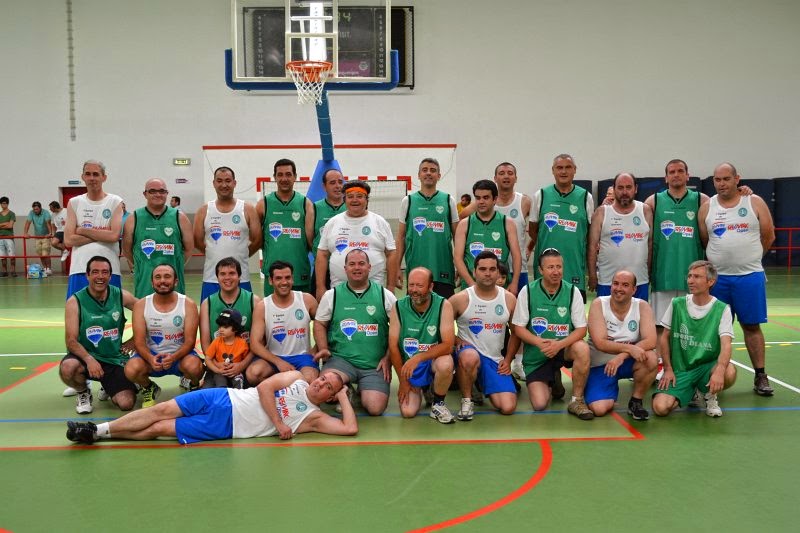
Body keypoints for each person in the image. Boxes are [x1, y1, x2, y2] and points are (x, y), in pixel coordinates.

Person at [66, 370, 357, 444]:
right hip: (224, 397)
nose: (320, 384)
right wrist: (279, 423)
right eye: (323, 378)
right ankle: (96, 430)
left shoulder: (313, 417)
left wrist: (344, 395)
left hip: (227, 425)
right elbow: (264, 388)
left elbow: (349, 428)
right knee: (160, 410)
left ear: (330, 396)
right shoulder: (296, 378)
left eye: (328, 387)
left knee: (158, 428)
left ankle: (98, 435)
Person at [699, 162, 776, 396]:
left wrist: (750, 258)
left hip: (749, 276)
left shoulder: (754, 202)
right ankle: (710, 375)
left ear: (737, 179)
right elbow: (705, 240)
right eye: (717, 179)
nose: (722, 183)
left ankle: (760, 375)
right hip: (718, 280)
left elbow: (768, 235)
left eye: (726, 179)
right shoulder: (707, 207)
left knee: (751, 326)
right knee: (714, 330)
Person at [512, 248, 593, 420]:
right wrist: (539, 342)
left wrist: (559, 345)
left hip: (563, 348)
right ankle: (553, 379)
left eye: (559, 267)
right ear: (540, 270)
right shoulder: (527, 291)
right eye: (550, 267)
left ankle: (577, 400)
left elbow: (581, 329)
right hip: (538, 352)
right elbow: (518, 328)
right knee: (540, 404)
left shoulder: (573, 291)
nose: (556, 271)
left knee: (582, 348)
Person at [313, 249, 397, 416]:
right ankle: (346, 389)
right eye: (352, 264)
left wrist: (388, 357)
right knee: (324, 390)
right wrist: (323, 348)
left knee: (375, 408)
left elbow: (398, 330)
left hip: (374, 365)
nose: (357, 268)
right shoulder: (332, 295)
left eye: (361, 263)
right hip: (341, 361)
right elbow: (320, 323)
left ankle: (358, 391)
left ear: (369, 267)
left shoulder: (385, 295)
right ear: (345, 269)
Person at [653, 261, 737, 417]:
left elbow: (726, 345)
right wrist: (668, 369)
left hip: (706, 367)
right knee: (660, 408)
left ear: (710, 282)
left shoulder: (722, 309)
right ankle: (693, 391)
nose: (690, 281)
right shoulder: (677, 303)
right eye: (689, 276)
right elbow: (664, 338)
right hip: (681, 369)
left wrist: (719, 370)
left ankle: (710, 395)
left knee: (729, 371)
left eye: (697, 277)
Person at [59, 256, 138, 414]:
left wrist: (135, 339)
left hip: (114, 358)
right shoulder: (75, 301)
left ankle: (108, 386)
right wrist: (89, 359)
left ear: (110, 276)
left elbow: (148, 312)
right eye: (95, 272)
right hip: (86, 356)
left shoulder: (121, 295)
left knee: (126, 403)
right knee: (68, 368)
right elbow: (71, 341)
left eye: (105, 272)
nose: (100, 276)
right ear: (87, 275)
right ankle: (83, 392)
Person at [449, 251, 519, 420]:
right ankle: (467, 400)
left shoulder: (509, 299)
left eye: (492, 269)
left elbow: (516, 333)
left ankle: (477, 382)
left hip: (494, 359)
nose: (487, 273)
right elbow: (440, 327)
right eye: (482, 269)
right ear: (474, 272)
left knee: (508, 407)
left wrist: (508, 360)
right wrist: (457, 340)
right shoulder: (460, 299)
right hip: (467, 354)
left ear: (498, 272)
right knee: (470, 357)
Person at [125, 264, 204, 408]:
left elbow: (190, 341)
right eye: (158, 277)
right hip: (152, 356)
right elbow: (139, 341)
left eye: (167, 276)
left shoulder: (188, 304)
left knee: (194, 367)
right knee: (131, 369)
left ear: (176, 281)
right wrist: (150, 358)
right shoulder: (141, 305)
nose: (162, 281)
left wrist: (173, 357)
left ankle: (193, 384)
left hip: (179, 356)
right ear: (152, 282)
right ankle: (149, 387)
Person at [585, 270, 658, 420]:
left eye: (625, 285)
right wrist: (630, 348)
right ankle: (607, 390)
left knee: (651, 357)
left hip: (626, 361)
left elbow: (651, 340)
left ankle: (636, 402)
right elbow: (600, 343)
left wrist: (621, 356)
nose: (619, 288)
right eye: (615, 284)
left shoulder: (642, 306)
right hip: (601, 364)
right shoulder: (599, 304)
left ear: (634, 289)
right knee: (599, 409)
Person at [388, 267, 457, 423]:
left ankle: (438, 404)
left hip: (432, 360)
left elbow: (448, 345)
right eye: (411, 285)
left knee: (446, 363)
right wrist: (403, 381)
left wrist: (419, 357)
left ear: (431, 286)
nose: (414, 290)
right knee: (407, 412)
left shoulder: (443, 305)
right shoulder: (398, 306)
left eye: (419, 286)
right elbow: (393, 346)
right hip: (410, 366)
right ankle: (424, 388)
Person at [315, 181, 397, 300]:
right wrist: (320, 287)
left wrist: (390, 287)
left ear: (367, 200)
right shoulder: (332, 223)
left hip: (375, 291)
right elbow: (322, 254)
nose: (355, 200)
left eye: (359, 196)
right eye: (350, 196)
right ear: (344, 200)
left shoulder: (380, 222)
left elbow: (391, 254)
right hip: (339, 291)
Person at [459, 162, 533, 293]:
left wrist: (529, 247)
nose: (506, 176)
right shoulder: (475, 210)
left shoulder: (524, 201)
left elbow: (536, 226)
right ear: (495, 178)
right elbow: (460, 218)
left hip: (514, 270)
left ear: (516, 178)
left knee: (517, 304)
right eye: (502, 173)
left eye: (510, 173)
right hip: (479, 275)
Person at [529, 154, 594, 295]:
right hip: (545, 271)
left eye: (568, 167)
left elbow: (590, 236)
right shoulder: (540, 195)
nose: (563, 171)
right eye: (559, 168)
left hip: (574, 267)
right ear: (553, 170)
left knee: (573, 307)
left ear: (575, 169)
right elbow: (533, 230)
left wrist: (592, 271)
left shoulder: (585, 197)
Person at [194, 166, 261, 302]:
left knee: (244, 315)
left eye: (228, 181)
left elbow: (258, 240)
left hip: (241, 278)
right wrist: (213, 253)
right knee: (210, 315)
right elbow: (197, 241)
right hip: (211, 279)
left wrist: (242, 254)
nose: (224, 185)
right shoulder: (204, 210)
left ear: (234, 183)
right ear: (214, 183)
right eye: (219, 181)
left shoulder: (247, 209)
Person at [395, 158, 459, 297]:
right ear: (419, 175)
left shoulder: (448, 200)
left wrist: (459, 266)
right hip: (416, 270)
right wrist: (397, 266)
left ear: (439, 176)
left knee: (444, 309)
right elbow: (401, 237)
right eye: (425, 170)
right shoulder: (408, 201)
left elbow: (457, 237)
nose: (428, 173)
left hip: (443, 269)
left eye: (433, 170)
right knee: (416, 310)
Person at [248, 260, 319, 385]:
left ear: (293, 279)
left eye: (287, 277)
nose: (284, 282)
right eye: (278, 278)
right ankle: (279, 389)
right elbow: (255, 343)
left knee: (309, 379)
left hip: (302, 357)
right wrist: (278, 362)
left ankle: (278, 387)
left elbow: (323, 327)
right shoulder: (263, 306)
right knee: (253, 374)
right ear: (271, 281)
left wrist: (316, 348)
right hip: (274, 357)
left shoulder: (307, 300)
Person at [122, 178, 193, 298]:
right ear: (145, 194)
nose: (158, 194)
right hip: (145, 284)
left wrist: (175, 264)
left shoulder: (180, 217)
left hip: (174, 285)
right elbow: (126, 250)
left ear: (167, 193)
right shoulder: (134, 218)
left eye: (161, 191)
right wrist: (142, 265)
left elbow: (189, 249)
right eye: (152, 191)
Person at [63, 160, 124, 298]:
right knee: (78, 310)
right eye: (88, 174)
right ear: (82, 177)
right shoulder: (74, 202)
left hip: (110, 270)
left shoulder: (115, 201)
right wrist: (103, 233)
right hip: (80, 269)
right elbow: (68, 240)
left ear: (104, 177)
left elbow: (113, 236)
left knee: (110, 310)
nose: (91, 178)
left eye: (96, 174)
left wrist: (82, 231)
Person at [587, 172, 652, 300]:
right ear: (614, 189)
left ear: (636, 189)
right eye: (620, 188)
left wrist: (648, 272)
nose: (624, 192)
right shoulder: (601, 212)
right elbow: (592, 247)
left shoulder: (645, 210)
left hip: (639, 281)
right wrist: (592, 275)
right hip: (608, 281)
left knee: (639, 313)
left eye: (628, 187)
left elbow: (650, 244)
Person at [453, 179, 522, 294]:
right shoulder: (465, 224)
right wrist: (472, 284)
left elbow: (516, 256)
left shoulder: (507, 223)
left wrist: (514, 283)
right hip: (471, 286)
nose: (481, 201)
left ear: (495, 199)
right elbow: (457, 258)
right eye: (478, 198)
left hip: (500, 287)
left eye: (485, 197)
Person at [257, 159, 314, 295]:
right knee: (272, 309)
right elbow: (255, 238)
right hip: (273, 275)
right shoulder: (263, 204)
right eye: (280, 175)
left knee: (303, 309)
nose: (284, 179)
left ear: (295, 177)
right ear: (274, 177)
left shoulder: (305, 203)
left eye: (288, 174)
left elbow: (312, 242)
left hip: (299, 272)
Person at [311, 168, 345, 288]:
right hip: (322, 269)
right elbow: (309, 239)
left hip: (346, 269)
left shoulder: (351, 207)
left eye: (340, 182)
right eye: (332, 183)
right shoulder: (314, 208)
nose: (337, 186)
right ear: (324, 186)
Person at [203, 309, 249, 388]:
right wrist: (217, 370)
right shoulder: (216, 341)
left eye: (225, 327)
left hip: (235, 372)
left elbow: (245, 361)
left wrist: (239, 368)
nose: (221, 329)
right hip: (219, 372)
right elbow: (207, 359)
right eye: (220, 326)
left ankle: (238, 392)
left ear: (236, 328)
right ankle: (222, 391)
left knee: (239, 380)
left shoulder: (242, 343)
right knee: (220, 382)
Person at [24, 201, 52, 275]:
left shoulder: (45, 212)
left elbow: (48, 223)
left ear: (40, 208)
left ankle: (49, 269)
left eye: (37, 209)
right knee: (40, 254)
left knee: (45, 253)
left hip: (46, 236)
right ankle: (45, 268)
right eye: (34, 209)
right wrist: (25, 233)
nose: (35, 211)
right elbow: (28, 223)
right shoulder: (31, 213)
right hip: (37, 236)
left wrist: (50, 233)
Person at [0, 196, 18, 277]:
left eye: (5, 203)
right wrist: (5, 223)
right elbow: (8, 224)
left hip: (9, 237)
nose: (3, 205)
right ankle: (4, 271)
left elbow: (10, 225)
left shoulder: (11, 214)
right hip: (0, 237)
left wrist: (1, 225)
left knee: (12, 255)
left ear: (7, 204)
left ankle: (13, 271)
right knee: (2, 256)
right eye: (2, 203)